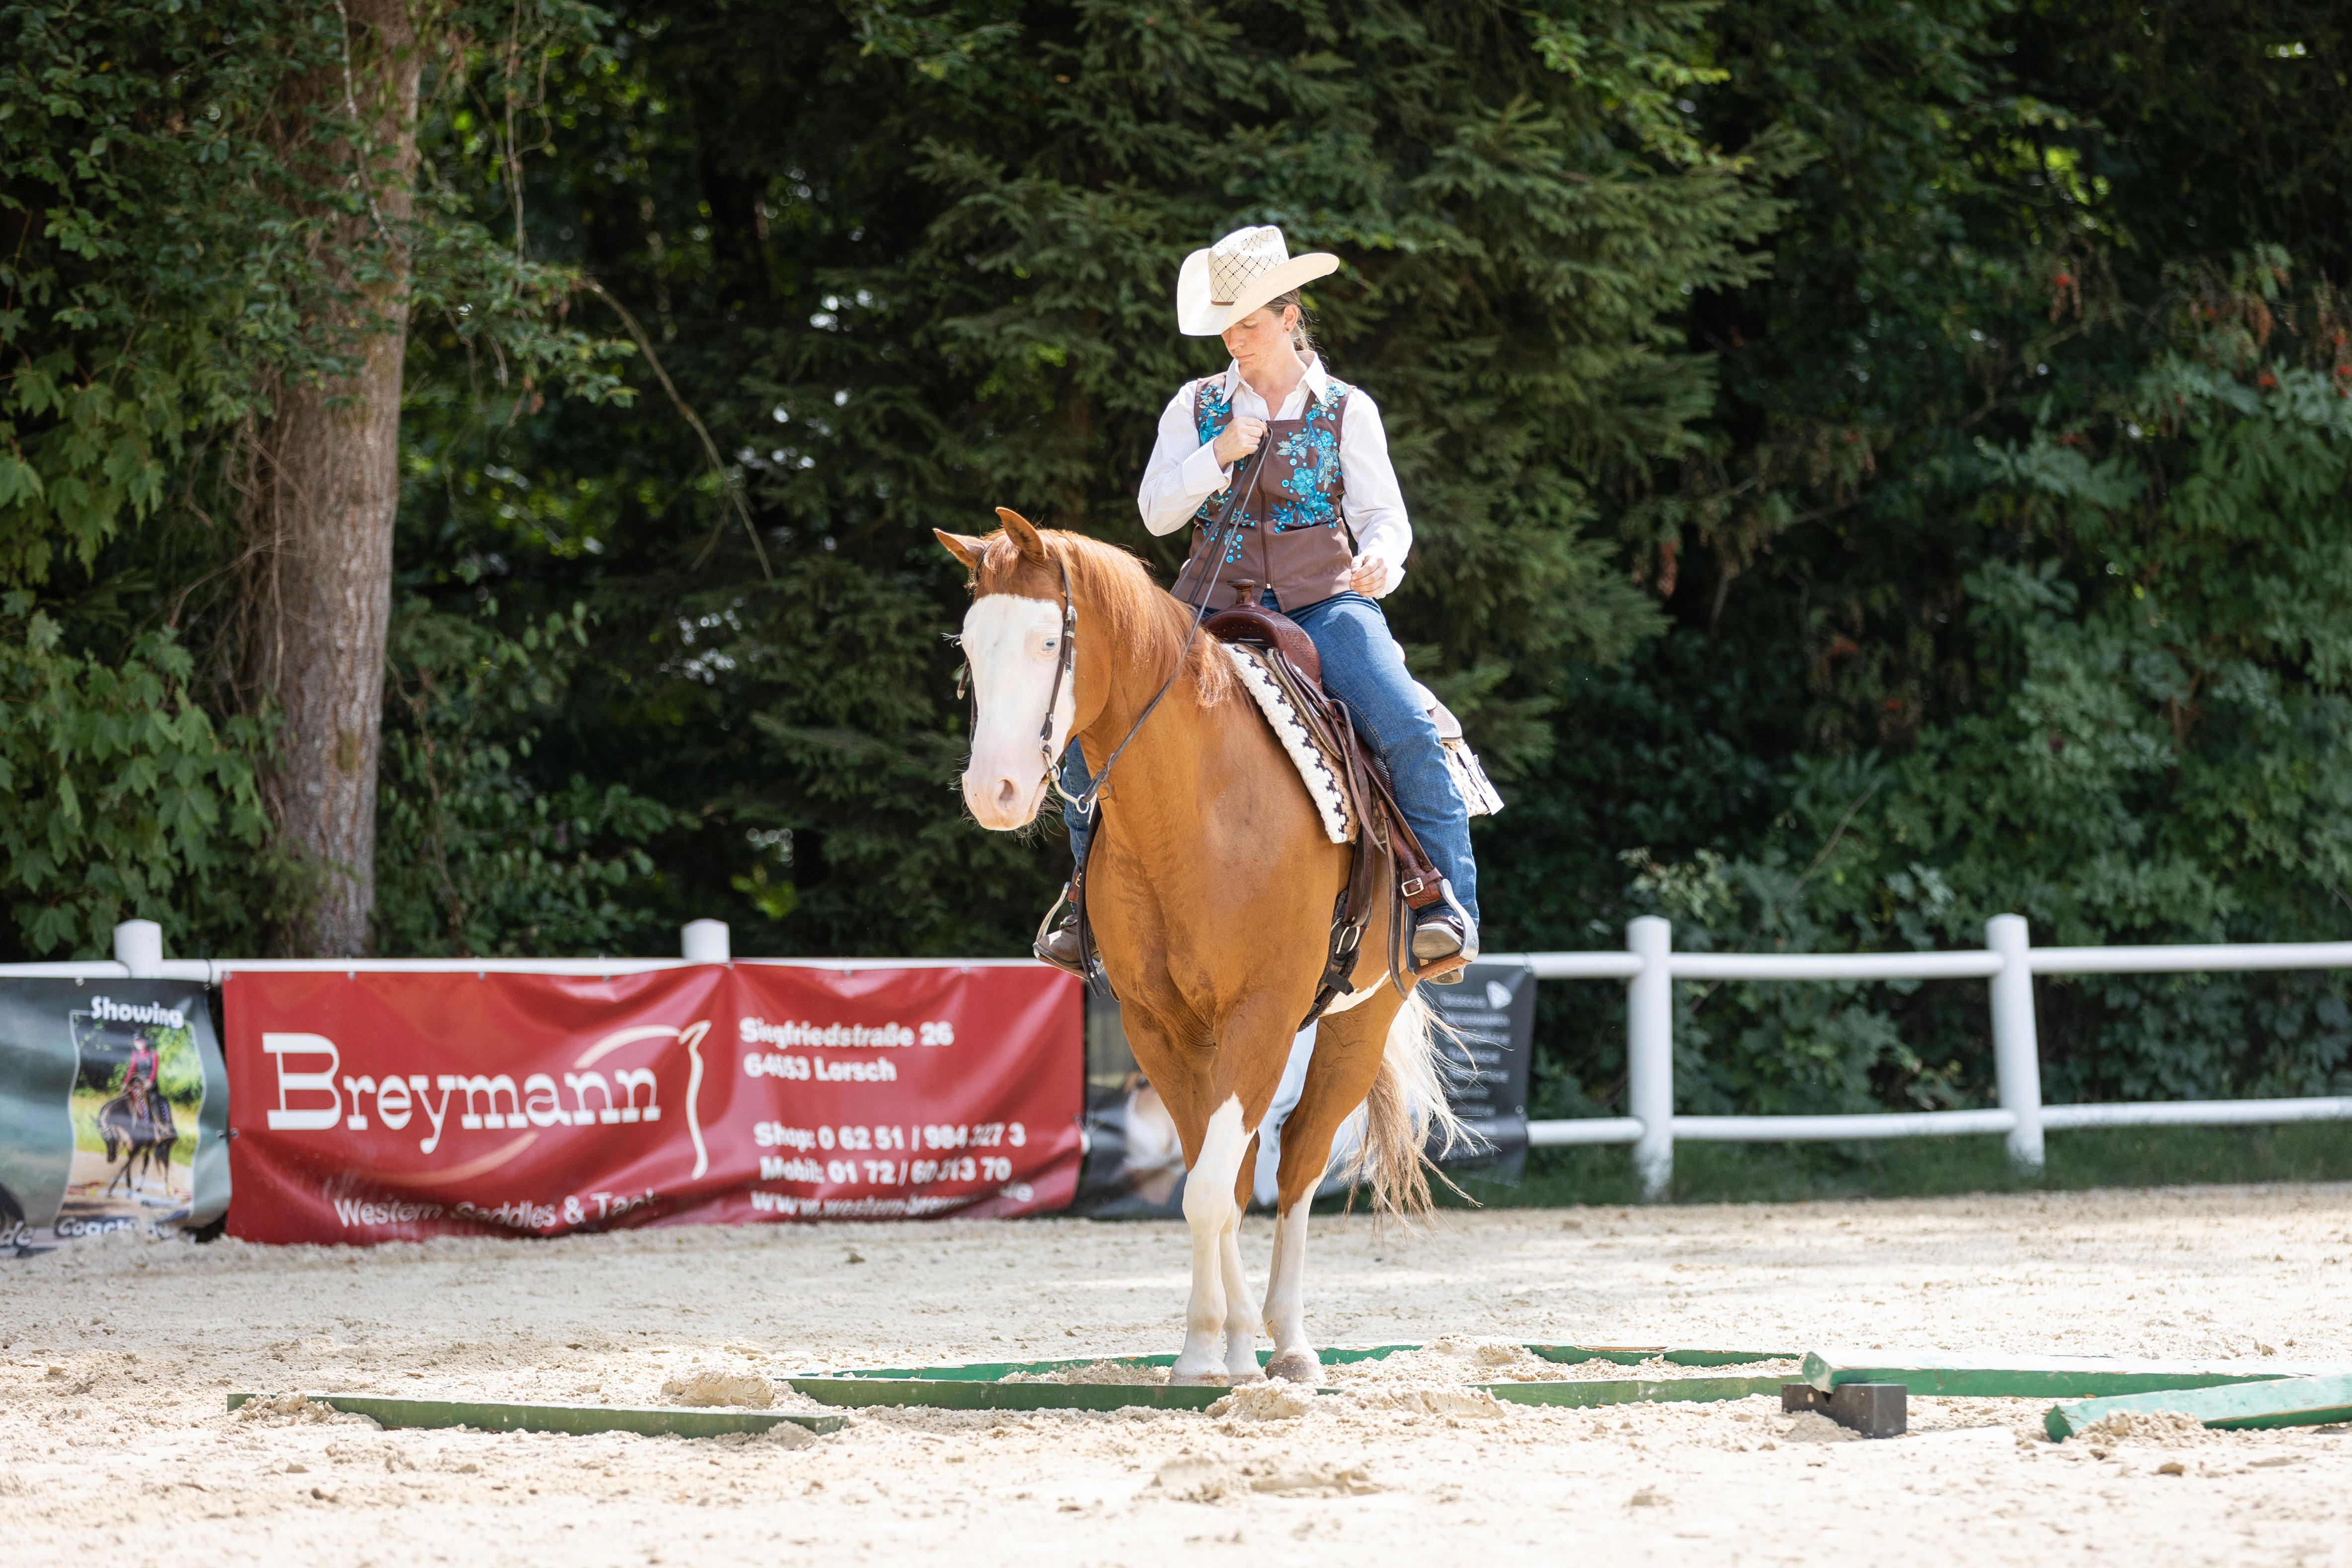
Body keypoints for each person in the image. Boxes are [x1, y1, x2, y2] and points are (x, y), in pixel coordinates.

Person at [1036, 224, 1479, 976]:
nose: (1233, 341)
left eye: (1247, 324)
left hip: (1323, 601)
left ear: (1288, 316)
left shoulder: (1347, 408)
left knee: (1406, 725)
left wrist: (1382, 559)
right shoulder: (1196, 405)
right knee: (1090, 729)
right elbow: (1155, 513)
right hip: (1203, 605)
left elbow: (1384, 518)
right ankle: (1085, 908)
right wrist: (1216, 453)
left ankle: (1443, 909)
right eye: (1225, 327)